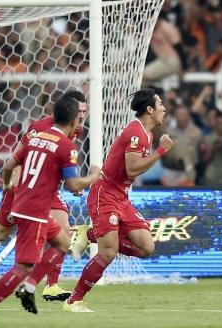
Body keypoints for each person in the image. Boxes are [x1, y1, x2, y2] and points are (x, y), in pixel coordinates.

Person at [0, 96, 100, 326]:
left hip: (21, 201)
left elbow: (9, 165)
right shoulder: (66, 145)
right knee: (22, 268)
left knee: (62, 241)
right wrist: (93, 177)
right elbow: (72, 185)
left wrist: (8, 184)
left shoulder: (36, 137)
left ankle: (30, 286)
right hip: (36, 211)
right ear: (71, 119)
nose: (81, 119)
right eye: (79, 115)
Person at [63, 88, 174, 313]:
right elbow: (133, 167)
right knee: (109, 252)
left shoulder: (147, 133)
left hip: (120, 197)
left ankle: (89, 233)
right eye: (160, 104)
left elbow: (132, 169)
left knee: (146, 247)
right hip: (105, 194)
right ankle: (74, 301)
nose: (164, 108)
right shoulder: (136, 133)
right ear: (150, 109)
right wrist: (161, 151)